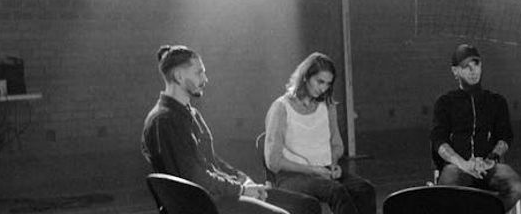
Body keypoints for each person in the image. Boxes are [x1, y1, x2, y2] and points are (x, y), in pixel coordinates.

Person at [142, 45, 319, 214]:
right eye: (199, 72)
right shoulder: (164, 120)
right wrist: (241, 190)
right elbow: (195, 177)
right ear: (179, 76)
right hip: (206, 205)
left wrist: (243, 179)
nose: (205, 79)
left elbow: (211, 161)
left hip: (220, 193)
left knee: (307, 205)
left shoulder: (192, 114)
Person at [264, 53, 376, 214]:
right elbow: (273, 161)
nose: (323, 88)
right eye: (320, 82)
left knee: (365, 189)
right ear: (305, 78)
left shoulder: (328, 105)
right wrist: (312, 170)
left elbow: (337, 146)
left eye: (328, 84)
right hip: (291, 176)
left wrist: (334, 164)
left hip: (324, 171)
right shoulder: (281, 108)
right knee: (336, 191)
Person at [430, 44, 521, 211]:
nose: (473, 71)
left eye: (477, 65)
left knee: (516, 187)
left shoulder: (496, 101)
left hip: (487, 167)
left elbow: (505, 136)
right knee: (447, 192)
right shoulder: (445, 102)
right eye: (467, 67)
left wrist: (490, 159)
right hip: (457, 167)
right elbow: (438, 140)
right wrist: (463, 164)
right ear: (455, 71)